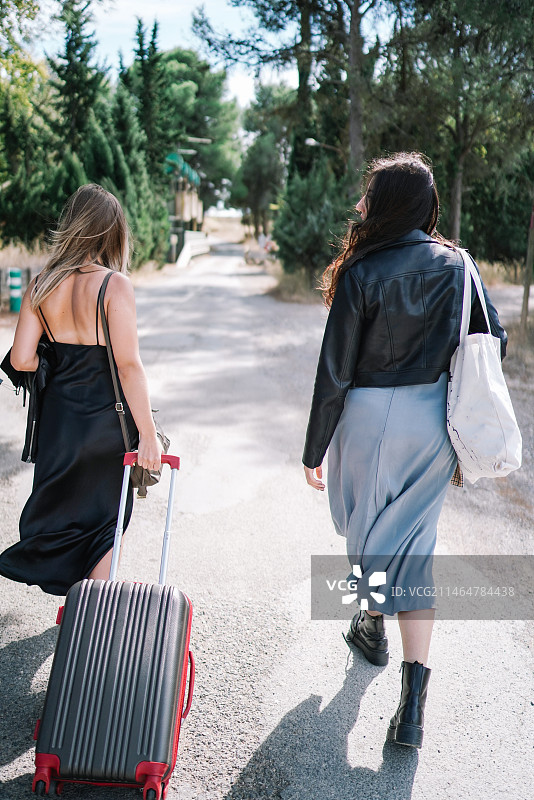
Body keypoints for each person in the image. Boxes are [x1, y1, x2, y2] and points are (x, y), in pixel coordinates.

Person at [303, 153, 506, 749]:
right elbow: (494, 339)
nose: (359, 205)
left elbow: (335, 370)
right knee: (415, 552)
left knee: (366, 536)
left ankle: (371, 623)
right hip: (432, 421)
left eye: (368, 196)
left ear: (387, 204)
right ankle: (412, 705)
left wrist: (313, 448)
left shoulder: (362, 270)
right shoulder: (460, 265)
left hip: (367, 420)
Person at [0, 184, 162, 595]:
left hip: (58, 426)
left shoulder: (41, 284)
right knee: (106, 523)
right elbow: (128, 365)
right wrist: (147, 433)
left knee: (63, 516)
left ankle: (76, 603)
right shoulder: (115, 285)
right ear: (112, 232)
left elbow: (21, 359)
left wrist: (54, 360)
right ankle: (94, 611)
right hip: (104, 426)